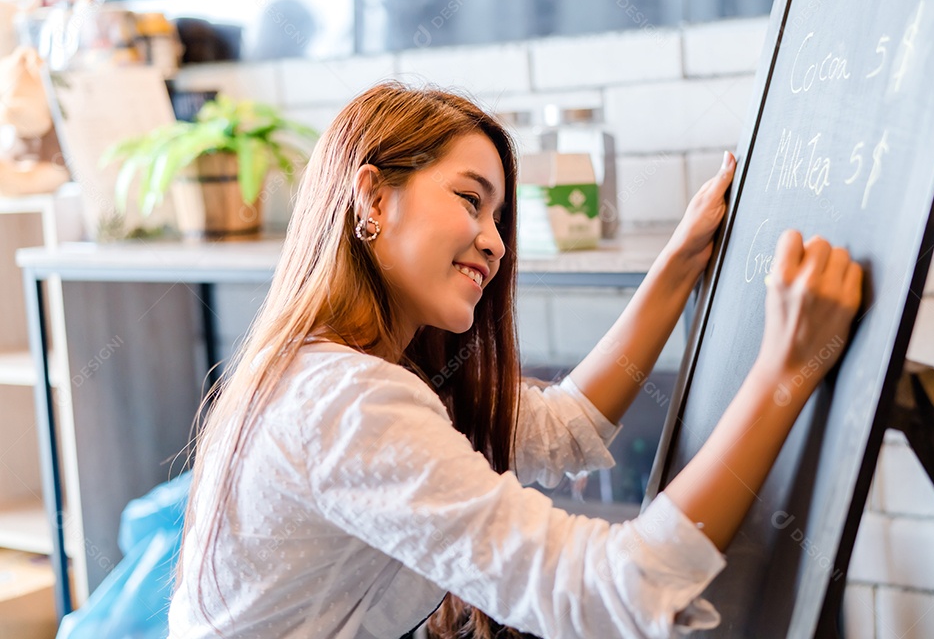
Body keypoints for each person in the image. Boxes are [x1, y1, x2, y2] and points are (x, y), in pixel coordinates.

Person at [168, 82, 862, 639]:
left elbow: (561, 427)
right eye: (471, 200)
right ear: (373, 197)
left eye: (498, 218)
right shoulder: (345, 400)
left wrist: (679, 264)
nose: (495, 242)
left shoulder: (335, 369)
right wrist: (787, 370)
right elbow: (617, 590)